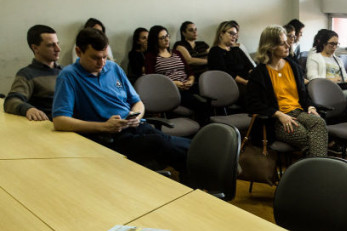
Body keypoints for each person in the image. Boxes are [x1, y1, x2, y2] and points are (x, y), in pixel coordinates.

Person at [52, 28, 190, 177]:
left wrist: (136, 117)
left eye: (105, 57)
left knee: (175, 144)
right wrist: (103, 127)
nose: (102, 63)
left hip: (135, 126)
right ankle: (200, 173)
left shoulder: (113, 68)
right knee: (163, 143)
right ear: (79, 52)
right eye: (95, 58)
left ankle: (198, 175)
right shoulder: (69, 76)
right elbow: (60, 121)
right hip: (108, 137)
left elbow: (138, 102)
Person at [246, 25, 328, 157]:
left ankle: (313, 172)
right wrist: (278, 114)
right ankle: (318, 172)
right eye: (282, 43)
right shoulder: (258, 73)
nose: (288, 45)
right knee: (310, 139)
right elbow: (252, 104)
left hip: (298, 111)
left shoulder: (293, 66)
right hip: (277, 119)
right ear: (270, 46)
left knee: (319, 123)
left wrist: (310, 106)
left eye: (287, 42)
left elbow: (303, 94)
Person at [145, 25, 205, 122]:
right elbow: (152, 80)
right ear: (155, 40)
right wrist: (173, 83)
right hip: (171, 90)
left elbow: (189, 71)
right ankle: (203, 132)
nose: (166, 40)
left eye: (167, 36)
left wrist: (191, 79)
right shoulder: (151, 56)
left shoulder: (176, 52)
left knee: (208, 96)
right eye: (162, 38)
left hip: (187, 85)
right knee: (200, 104)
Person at [4, 25, 62, 121]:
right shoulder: (27, 74)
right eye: (51, 45)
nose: (58, 49)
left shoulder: (66, 71)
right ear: (35, 48)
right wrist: (29, 109)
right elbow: (11, 101)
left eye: (57, 43)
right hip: (52, 125)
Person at [306, 29, 347, 123]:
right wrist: (332, 80)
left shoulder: (337, 60)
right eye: (331, 44)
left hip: (341, 90)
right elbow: (313, 79)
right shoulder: (314, 57)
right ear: (324, 43)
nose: (334, 47)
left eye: (336, 44)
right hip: (325, 93)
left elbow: (346, 76)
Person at [208, 20, 254, 105]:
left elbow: (250, 66)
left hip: (246, 82)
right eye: (231, 33)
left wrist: (255, 77)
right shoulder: (215, 51)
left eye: (235, 34)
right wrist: (245, 82)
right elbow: (224, 72)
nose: (234, 37)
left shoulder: (236, 50)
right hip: (230, 84)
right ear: (221, 34)